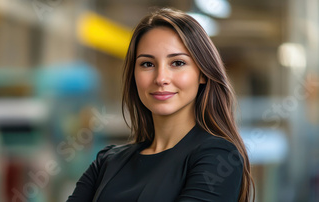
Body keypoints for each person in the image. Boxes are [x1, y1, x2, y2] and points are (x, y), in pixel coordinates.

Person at [67, 8, 254, 202]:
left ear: (203, 74)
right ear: (134, 76)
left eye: (177, 63)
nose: (161, 78)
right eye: (147, 64)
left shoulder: (219, 157)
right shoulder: (107, 162)